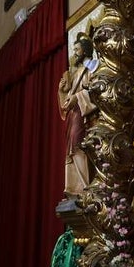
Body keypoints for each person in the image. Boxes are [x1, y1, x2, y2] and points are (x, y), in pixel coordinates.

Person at [58, 32, 98, 197]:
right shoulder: (75, 73)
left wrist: (78, 97)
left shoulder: (92, 67)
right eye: (73, 49)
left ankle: (84, 186)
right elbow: (66, 102)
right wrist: (62, 91)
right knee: (71, 149)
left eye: (77, 49)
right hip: (74, 116)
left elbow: (97, 91)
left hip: (84, 115)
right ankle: (74, 187)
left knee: (78, 145)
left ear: (85, 51)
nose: (74, 53)